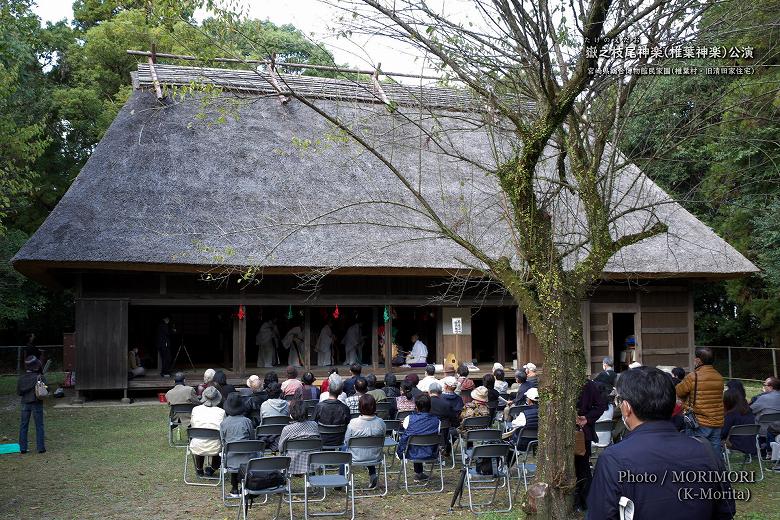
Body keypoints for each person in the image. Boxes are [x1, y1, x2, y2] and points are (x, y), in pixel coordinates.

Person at [587, 367, 736, 519]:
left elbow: (601, 515)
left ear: (626, 408)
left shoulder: (613, 459)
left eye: (619, 401)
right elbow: (726, 510)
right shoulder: (706, 451)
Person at [676, 346, 725, 454]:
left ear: (698, 360)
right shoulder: (719, 377)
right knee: (715, 452)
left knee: (696, 451)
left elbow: (679, 391)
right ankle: (717, 470)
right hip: (717, 421)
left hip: (699, 421)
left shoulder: (693, 376)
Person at [574, 378, 607, 510]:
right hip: (561, 432)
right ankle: (577, 501)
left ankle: (585, 501)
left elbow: (600, 405)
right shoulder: (556, 381)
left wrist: (586, 418)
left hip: (581, 433)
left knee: (582, 467)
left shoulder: (587, 384)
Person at [344, 394, 386, 489]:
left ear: (359, 407)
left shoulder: (353, 423)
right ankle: (373, 475)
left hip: (355, 457)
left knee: (344, 448)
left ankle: (342, 479)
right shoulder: (381, 423)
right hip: (375, 456)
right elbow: (383, 439)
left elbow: (347, 441)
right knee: (369, 447)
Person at [396, 394, 440, 481]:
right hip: (430, 453)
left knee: (414, 440)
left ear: (416, 406)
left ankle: (419, 473)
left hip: (412, 453)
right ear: (430, 406)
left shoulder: (409, 419)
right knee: (419, 439)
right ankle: (419, 473)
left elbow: (405, 436)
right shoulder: (437, 421)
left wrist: (400, 452)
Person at [220, 392, 256, 496]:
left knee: (232, 455)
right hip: (248, 459)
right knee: (240, 455)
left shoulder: (224, 423)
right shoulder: (247, 422)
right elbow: (252, 439)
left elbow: (223, 442)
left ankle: (234, 487)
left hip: (231, 458)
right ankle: (245, 486)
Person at [189, 386, 225, 477]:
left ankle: (199, 469)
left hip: (197, 445)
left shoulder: (195, 410)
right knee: (219, 440)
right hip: (215, 447)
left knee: (200, 438)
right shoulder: (221, 412)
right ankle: (212, 469)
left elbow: (193, 425)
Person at [279, 399, 320, 475]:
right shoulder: (314, 425)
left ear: (291, 412)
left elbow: (281, 448)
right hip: (312, 462)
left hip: (292, 463)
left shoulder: (287, 429)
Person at [313, 373, 351, 447]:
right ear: (341, 392)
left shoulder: (319, 406)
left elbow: (312, 423)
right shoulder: (345, 408)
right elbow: (348, 425)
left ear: (328, 389)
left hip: (322, 441)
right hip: (339, 441)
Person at [17, 356, 45, 454]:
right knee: (39, 425)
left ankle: (23, 448)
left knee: (23, 425)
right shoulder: (39, 377)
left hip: (25, 402)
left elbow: (19, 392)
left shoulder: (22, 378)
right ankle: (41, 448)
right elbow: (46, 390)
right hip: (37, 402)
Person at [721, 387, 757, 456]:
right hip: (751, 445)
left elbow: (723, 433)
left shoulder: (731, 415)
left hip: (735, 445)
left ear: (728, 401)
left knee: (713, 436)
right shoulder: (749, 412)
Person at [751, 376, 780, 444]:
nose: (763, 387)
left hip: (765, 432)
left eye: (764, 385)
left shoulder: (764, 398)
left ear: (770, 387)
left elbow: (750, 410)